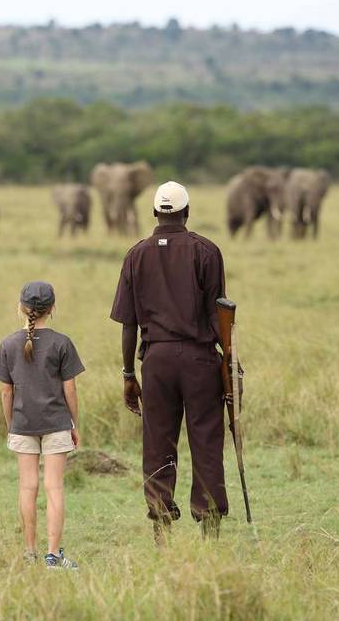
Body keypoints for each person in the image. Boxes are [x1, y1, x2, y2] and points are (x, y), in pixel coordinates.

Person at [109, 181, 228, 543]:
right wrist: (231, 365)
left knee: (157, 442)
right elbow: (220, 316)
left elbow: (129, 323)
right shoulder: (207, 251)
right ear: (187, 212)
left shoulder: (136, 254)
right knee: (206, 440)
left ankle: (161, 530)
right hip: (200, 359)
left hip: (156, 360)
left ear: (154, 214)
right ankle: (210, 532)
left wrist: (129, 373)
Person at [0, 281, 84, 569]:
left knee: (27, 487)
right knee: (54, 488)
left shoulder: (8, 343)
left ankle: (29, 552)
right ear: (53, 308)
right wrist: (74, 424)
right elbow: (70, 390)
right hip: (56, 423)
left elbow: (6, 392)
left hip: (22, 423)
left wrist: (11, 424)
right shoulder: (62, 342)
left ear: (21, 308)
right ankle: (52, 555)